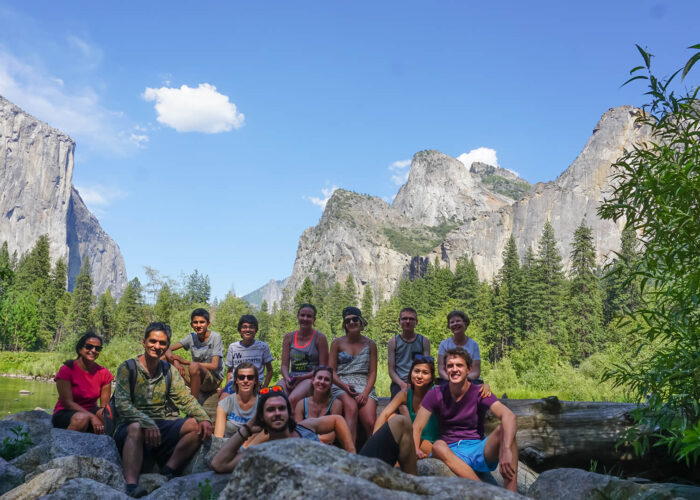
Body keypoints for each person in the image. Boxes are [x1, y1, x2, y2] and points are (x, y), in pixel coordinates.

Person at [210, 387, 416, 474]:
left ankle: (414, 491)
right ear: (262, 417)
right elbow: (219, 464)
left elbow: (336, 419)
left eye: (281, 408)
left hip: (351, 469)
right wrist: (247, 428)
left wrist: (352, 453)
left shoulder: (304, 426)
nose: (277, 413)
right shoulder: (263, 446)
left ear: (289, 412)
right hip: (329, 486)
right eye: (270, 410)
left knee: (400, 422)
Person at [114, 322, 213, 498]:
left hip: (161, 425)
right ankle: (131, 484)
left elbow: (185, 399)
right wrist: (146, 422)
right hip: (131, 426)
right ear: (143, 342)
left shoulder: (169, 371)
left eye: (162, 343)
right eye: (152, 341)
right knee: (136, 428)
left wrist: (204, 417)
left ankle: (168, 471)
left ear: (167, 346)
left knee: (194, 425)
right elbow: (122, 405)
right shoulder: (127, 368)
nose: (156, 346)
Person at [413, 348, 518, 492]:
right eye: (450, 366)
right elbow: (417, 426)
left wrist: (506, 450)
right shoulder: (436, 394)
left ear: (469, 369)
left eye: (459, 365)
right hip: (449, 450)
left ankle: (512, 494)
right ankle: (486, 492)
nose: (454, 369)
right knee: (437, 445)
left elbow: (509, 416)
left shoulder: (480, 392)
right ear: (445, 370)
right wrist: (415, 449)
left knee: (505, 429)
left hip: (477, 448)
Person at [329, 306, 378, 443]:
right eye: (347, 321)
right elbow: (331, 371)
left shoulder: (371, 344)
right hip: (341, 382)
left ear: (361, 321)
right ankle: (350, 451)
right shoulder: (337, 343)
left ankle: (373, 452)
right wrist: (344, 386)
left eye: (355, 319)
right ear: (344, 325)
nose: (351, 322)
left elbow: (373, 372)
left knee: (370, 421)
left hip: (364, 383)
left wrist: (365, 393)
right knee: (351, 408)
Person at [52, 333, 113, 434]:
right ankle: (64, 447)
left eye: (97, 348)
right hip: (66, 412)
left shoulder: (104, 373)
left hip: (91, 411)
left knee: (107, 416)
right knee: (82, 418)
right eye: (89, 347)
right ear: (80, 349)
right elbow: (67, 403)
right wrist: (92, 417)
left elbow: (104, 407)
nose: (93, 350)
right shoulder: (67, 370)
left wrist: (103, 418)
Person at [165, 308, 224, 398]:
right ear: (191, 324)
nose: (198, 325)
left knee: (194, 366)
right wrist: (175, 361)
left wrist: (186, 362)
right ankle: (164, 397)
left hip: (213, 378)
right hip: (196, 375)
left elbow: (214, 365)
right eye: (195, 322)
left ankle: (193, 406)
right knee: (163, 358)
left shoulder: (215, 337)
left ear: (208, 324)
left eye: (202, 322)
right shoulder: (191, 337)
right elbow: (167, 349)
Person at [279, 304, 330, 407]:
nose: (305, 319)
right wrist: (287, 377)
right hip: (292, 377)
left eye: (309, 316)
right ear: (298, 316)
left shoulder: (320, 338)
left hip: (311, 378)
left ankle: (296, 423)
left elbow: (323, 368)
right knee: (276, 397)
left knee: (292, 400)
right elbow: (284, 365)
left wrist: (303, 377)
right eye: (302, 315)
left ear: (314, 319)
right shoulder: (289, 337)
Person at [387, 307, 430, 398]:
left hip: (419, 380)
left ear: (416, 322)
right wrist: (402, 384)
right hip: (399, 383)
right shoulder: (393, 342)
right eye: (404, 319)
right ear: (399, 321)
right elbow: (391, 371)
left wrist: (417, 382)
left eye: (411, 319)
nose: (407, 321)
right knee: (401, 404)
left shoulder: (424, 341)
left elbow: (426, 367)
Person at [294, 365, 343, 444]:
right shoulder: (301, 404)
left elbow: (331, 436)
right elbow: (297, 432)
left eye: (326, 379)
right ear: (313, 380)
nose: (322, 382)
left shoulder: (336, 404)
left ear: (331, 384)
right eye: (319, 378)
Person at [224, 315, 273, 388]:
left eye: (251, 327)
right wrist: (227, 388)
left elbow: (270, 370)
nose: (248, 330)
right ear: (240, 330)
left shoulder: (262, 347)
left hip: (255, 385)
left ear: (255, 330)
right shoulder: (233, 347)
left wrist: (264, 387)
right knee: (224, 398)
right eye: (244, 327)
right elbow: (230, 370)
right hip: (235, 385)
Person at [214, 362, 259, 439]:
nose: (245, 380)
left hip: (254, 446)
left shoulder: (262, 404)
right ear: (236, 380)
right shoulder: (225, 403)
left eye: (250, 377)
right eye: (241, 377)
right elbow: (218, 437)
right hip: (228, 445)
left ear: (255, 380)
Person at [437, 311, 482, 382]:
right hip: (448, 379)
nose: (455, 324)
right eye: (452, 322)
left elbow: (476, 371)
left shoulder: (474, 345)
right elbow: (441, 370)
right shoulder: (444, 344)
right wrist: (453, 379)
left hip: (469, 380)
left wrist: (462, 379)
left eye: (458, 321)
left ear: (465, 324)